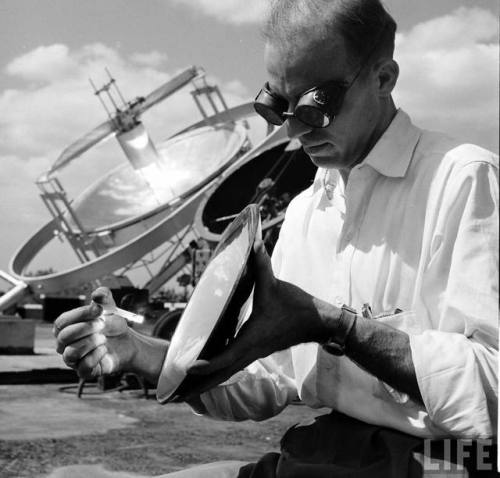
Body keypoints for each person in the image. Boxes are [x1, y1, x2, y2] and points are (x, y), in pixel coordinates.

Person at [54, 0, 498, 476]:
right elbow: (267, 376)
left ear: (383, 78)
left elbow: (490, 395)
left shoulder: (464, 181)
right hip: (325, 452)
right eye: (277, 104)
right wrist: (143, 353)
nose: (292, 127)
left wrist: (337, 327)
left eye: (315, 105)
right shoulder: (310, 209)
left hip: (439, 462)